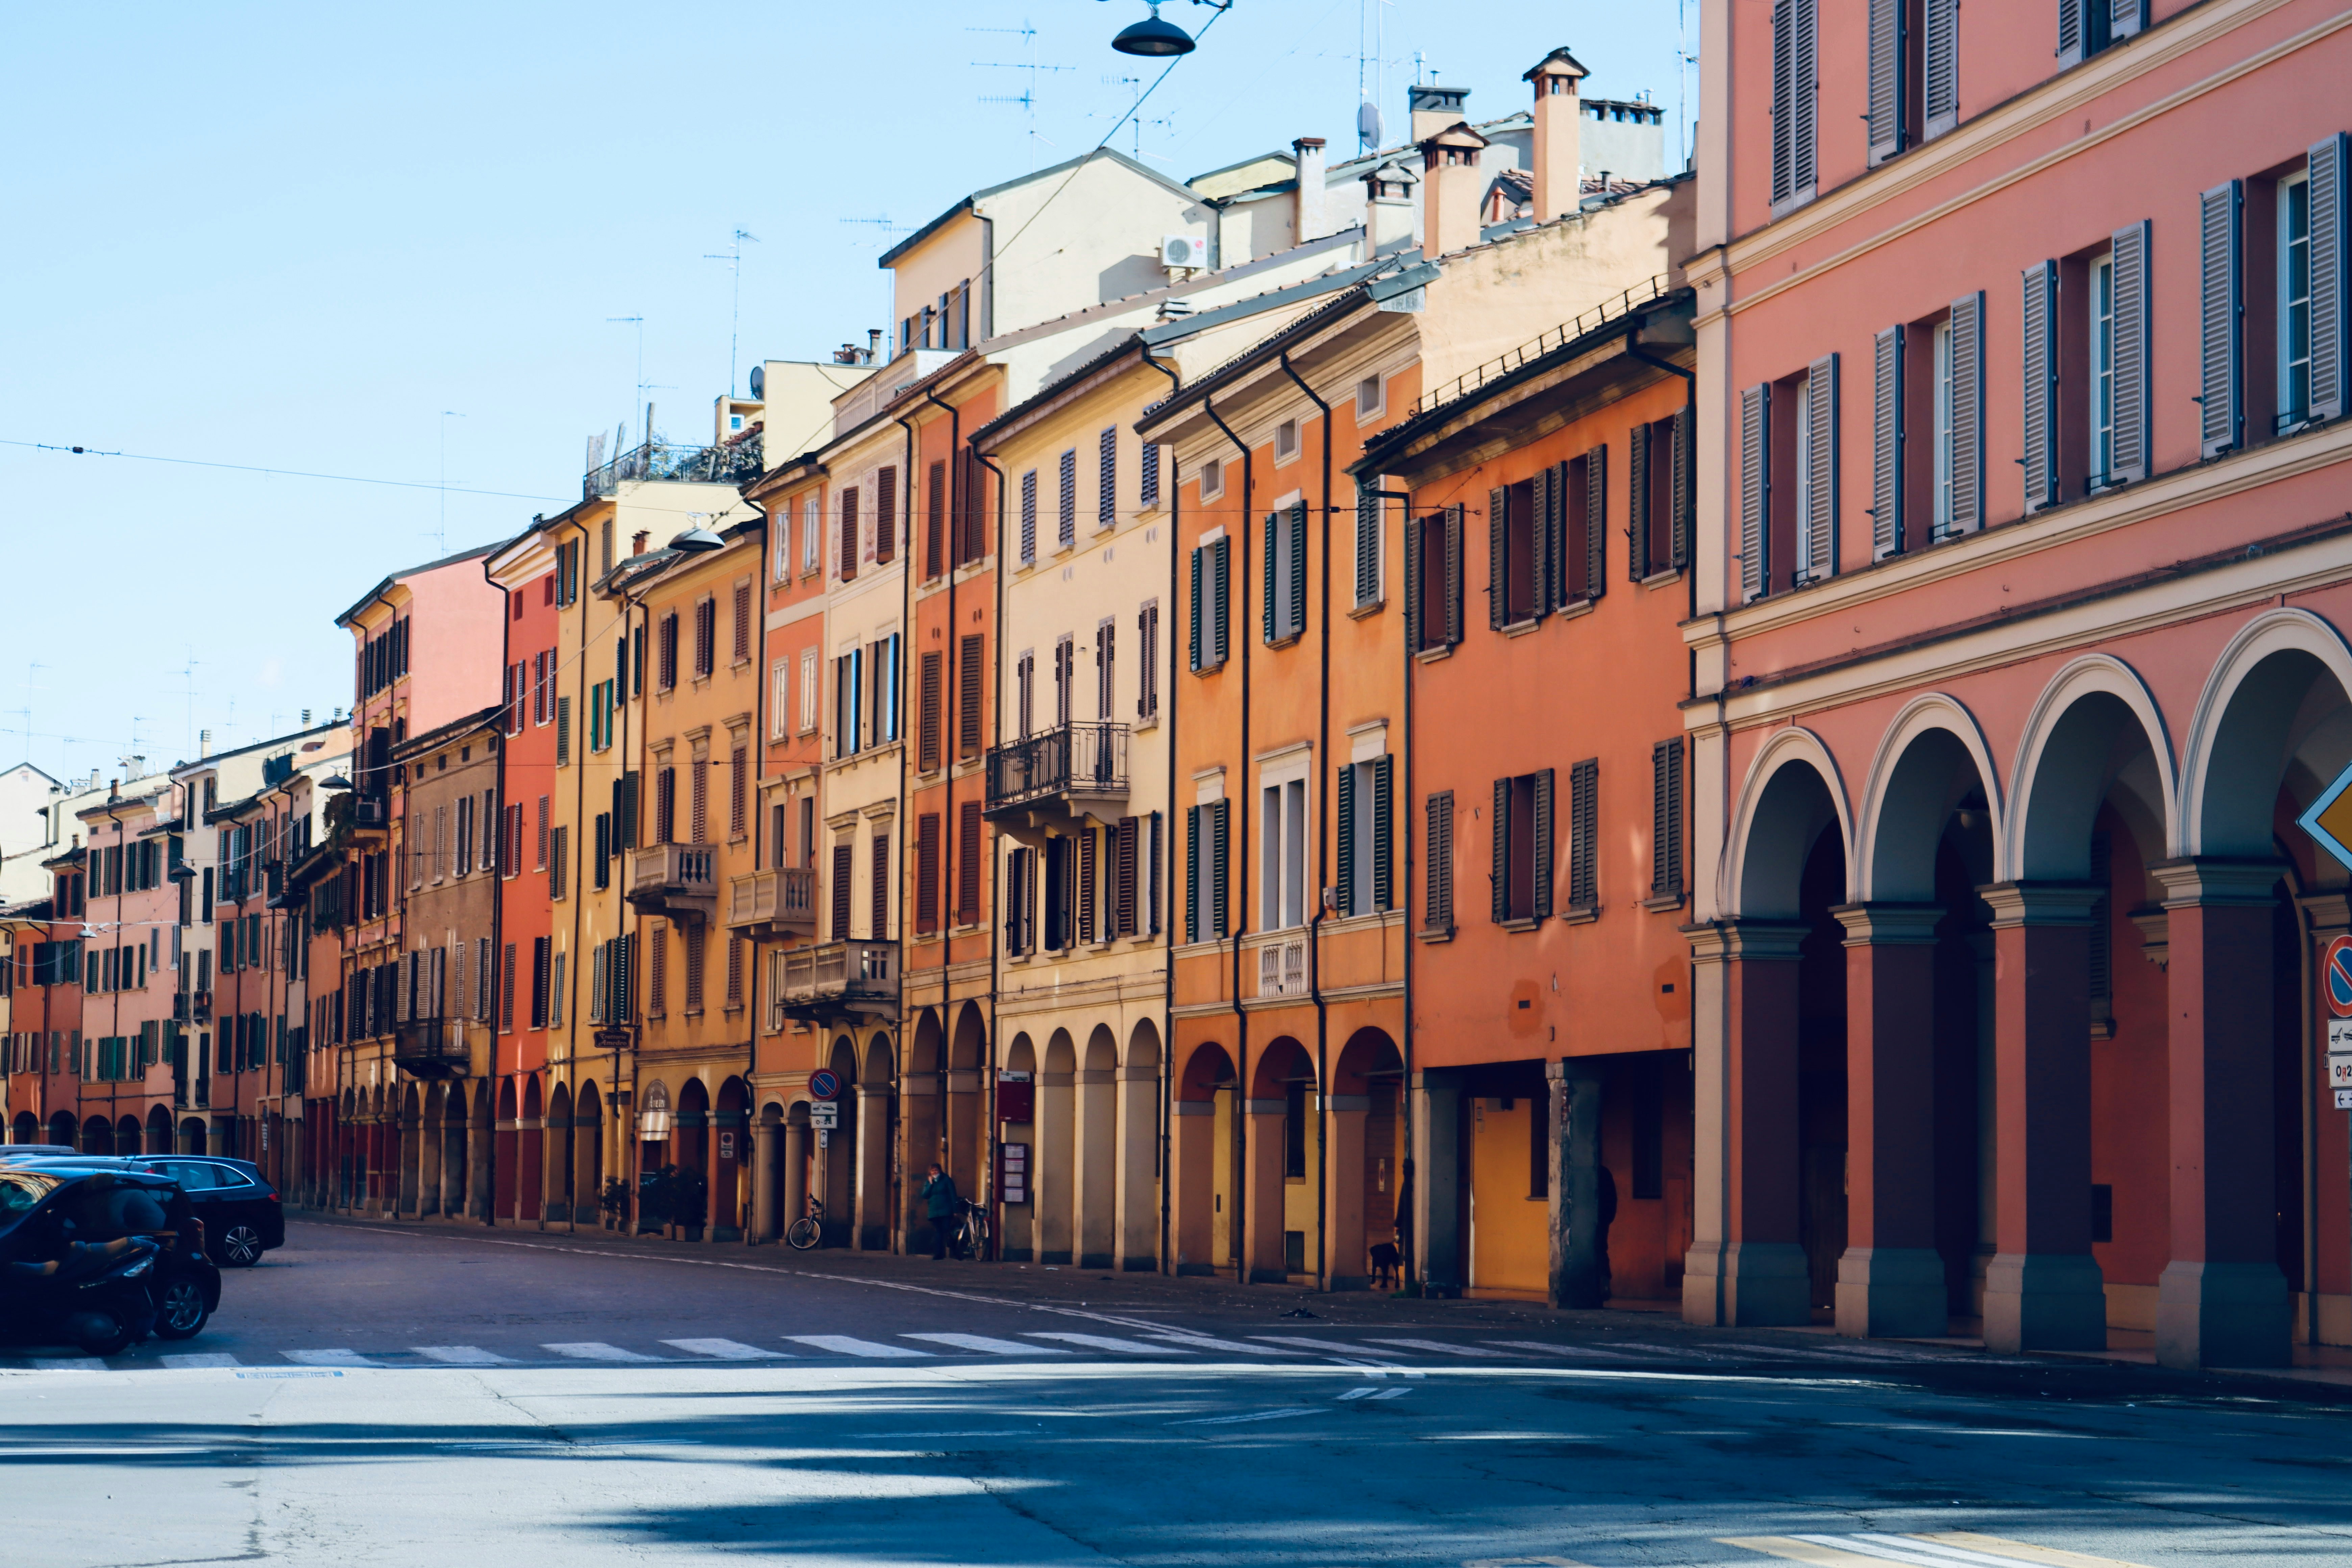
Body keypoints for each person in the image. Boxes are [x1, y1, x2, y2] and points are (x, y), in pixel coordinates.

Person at [921, 1163, 960, 1260]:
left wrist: (955, 1210)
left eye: (936, 1170)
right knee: (939, 1232)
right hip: (934, 1212)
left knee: (946, 1231)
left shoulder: (947, 1180)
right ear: (930, 1172)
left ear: (940, 1171)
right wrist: (931, 1185)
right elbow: (925, 1195)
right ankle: (939, 1254)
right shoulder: (929, 1182)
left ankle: (955, 1252)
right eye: (933, 1171)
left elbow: (953, 1195)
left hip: (946, 1210)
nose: (935, 1172)